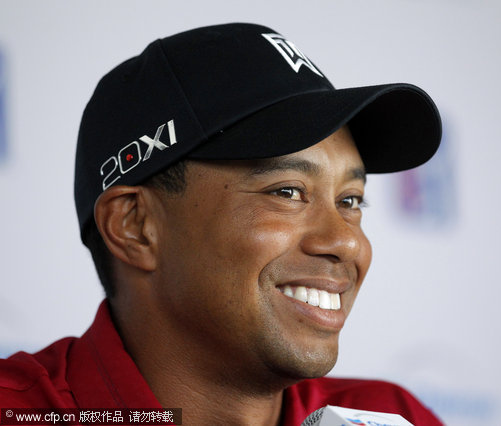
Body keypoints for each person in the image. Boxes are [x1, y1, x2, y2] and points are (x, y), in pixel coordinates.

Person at [0, 23, 443, 425]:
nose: (346, 242)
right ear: (134, 226)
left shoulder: (394, 416)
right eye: (287, 192)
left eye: (351, 200)